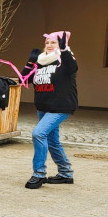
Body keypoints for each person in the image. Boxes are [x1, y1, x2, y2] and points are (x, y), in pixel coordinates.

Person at [22, 31, 77, 189]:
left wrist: (65, 50)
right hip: (44, 107)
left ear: (61, 44)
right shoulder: (40, 61)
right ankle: (66, 173)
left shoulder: (65, 59)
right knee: (52, 141)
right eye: (47, 42)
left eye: (54, 42)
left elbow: (73, 68)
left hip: (61, 106)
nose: (50, 45)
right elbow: (23, 79)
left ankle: (39, 174)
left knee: (38, 133)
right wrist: (30, 62)